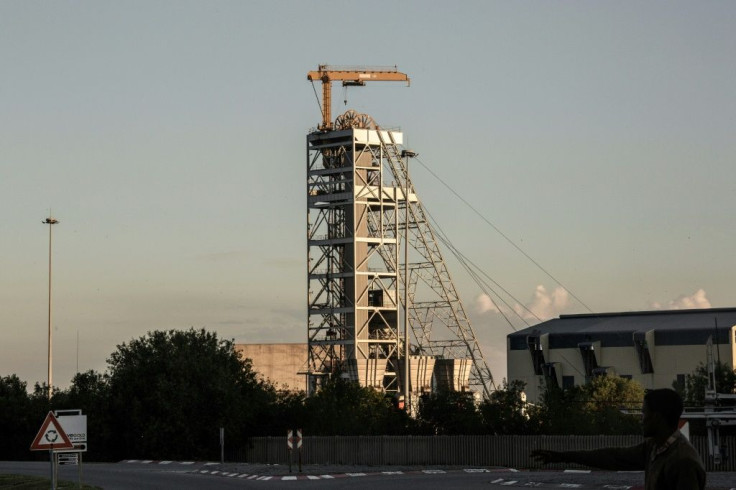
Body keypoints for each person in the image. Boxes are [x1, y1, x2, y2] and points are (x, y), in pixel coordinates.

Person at [530, 388, 705, 490]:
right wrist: (563, 456)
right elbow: (613, 457)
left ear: (658, 417)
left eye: (644, 413)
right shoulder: (654, 448)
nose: (641, 419)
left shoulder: (683, 462)